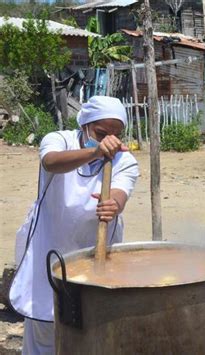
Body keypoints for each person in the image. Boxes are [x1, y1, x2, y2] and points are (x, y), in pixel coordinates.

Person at [9, 96, 139, 354]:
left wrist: (113, 204)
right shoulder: (58, 140)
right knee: (45, 322)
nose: (109, 141)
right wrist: (95, 151)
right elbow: (51, 162)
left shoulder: (125, 161)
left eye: (116, 134)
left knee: (92, 327)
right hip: (49, 245)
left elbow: (119, 194)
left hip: (95, 251)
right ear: (85, 126)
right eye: (101, 133)